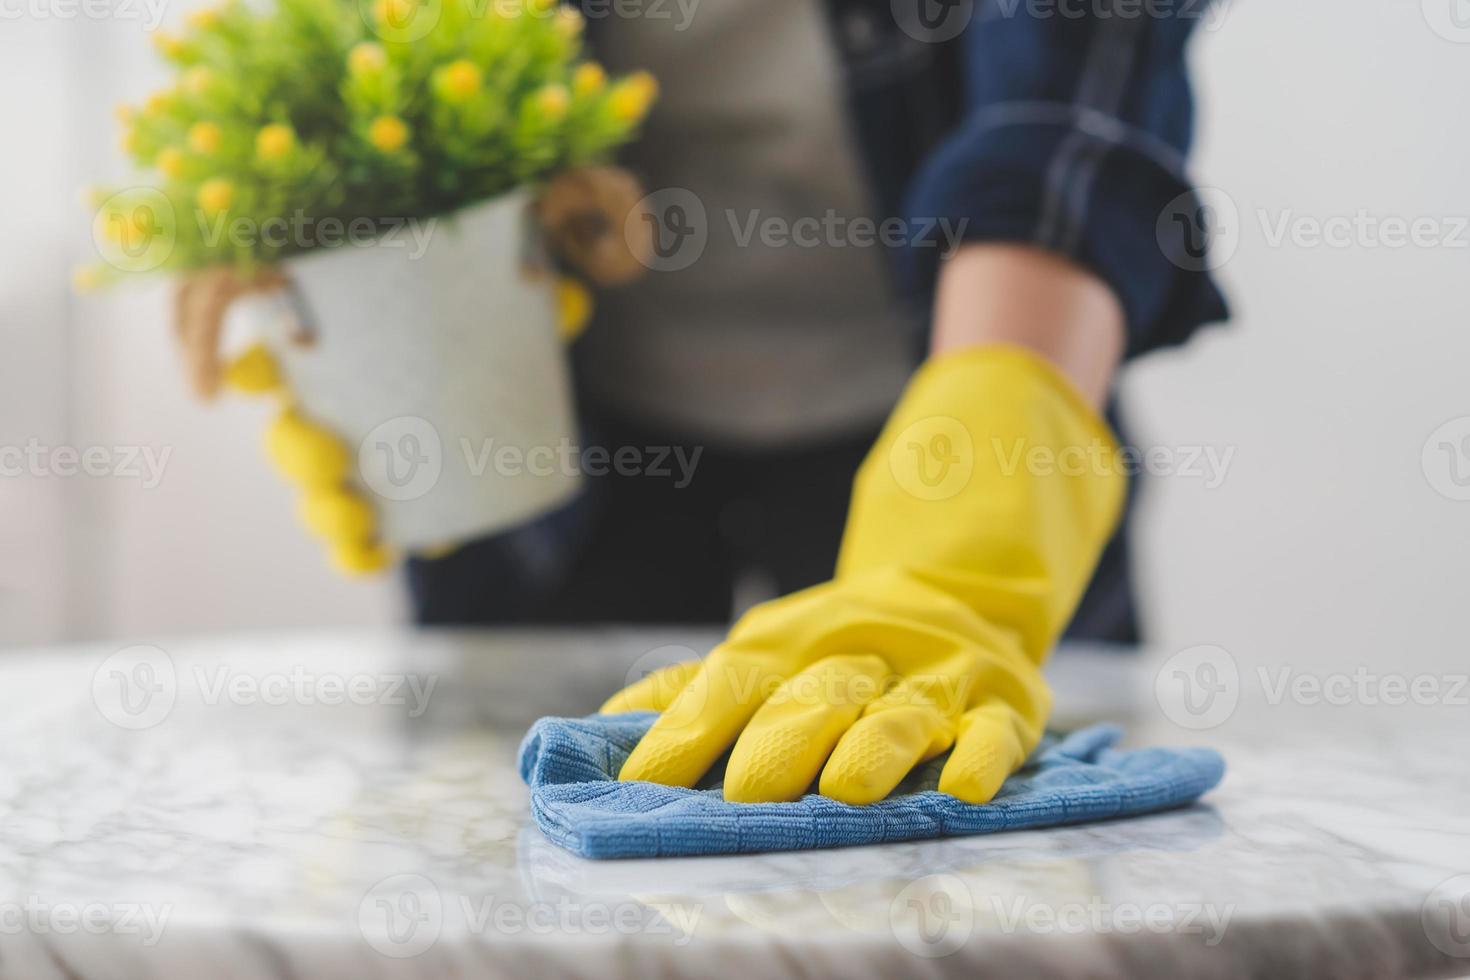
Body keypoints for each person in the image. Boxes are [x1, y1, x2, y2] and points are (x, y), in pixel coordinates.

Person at [186, 1, 1230, 804]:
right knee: (510, 861)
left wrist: (968, 536)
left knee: (995, 850)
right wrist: (364, 302)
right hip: (566, 431)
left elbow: (1068, 114)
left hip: (946, 388)